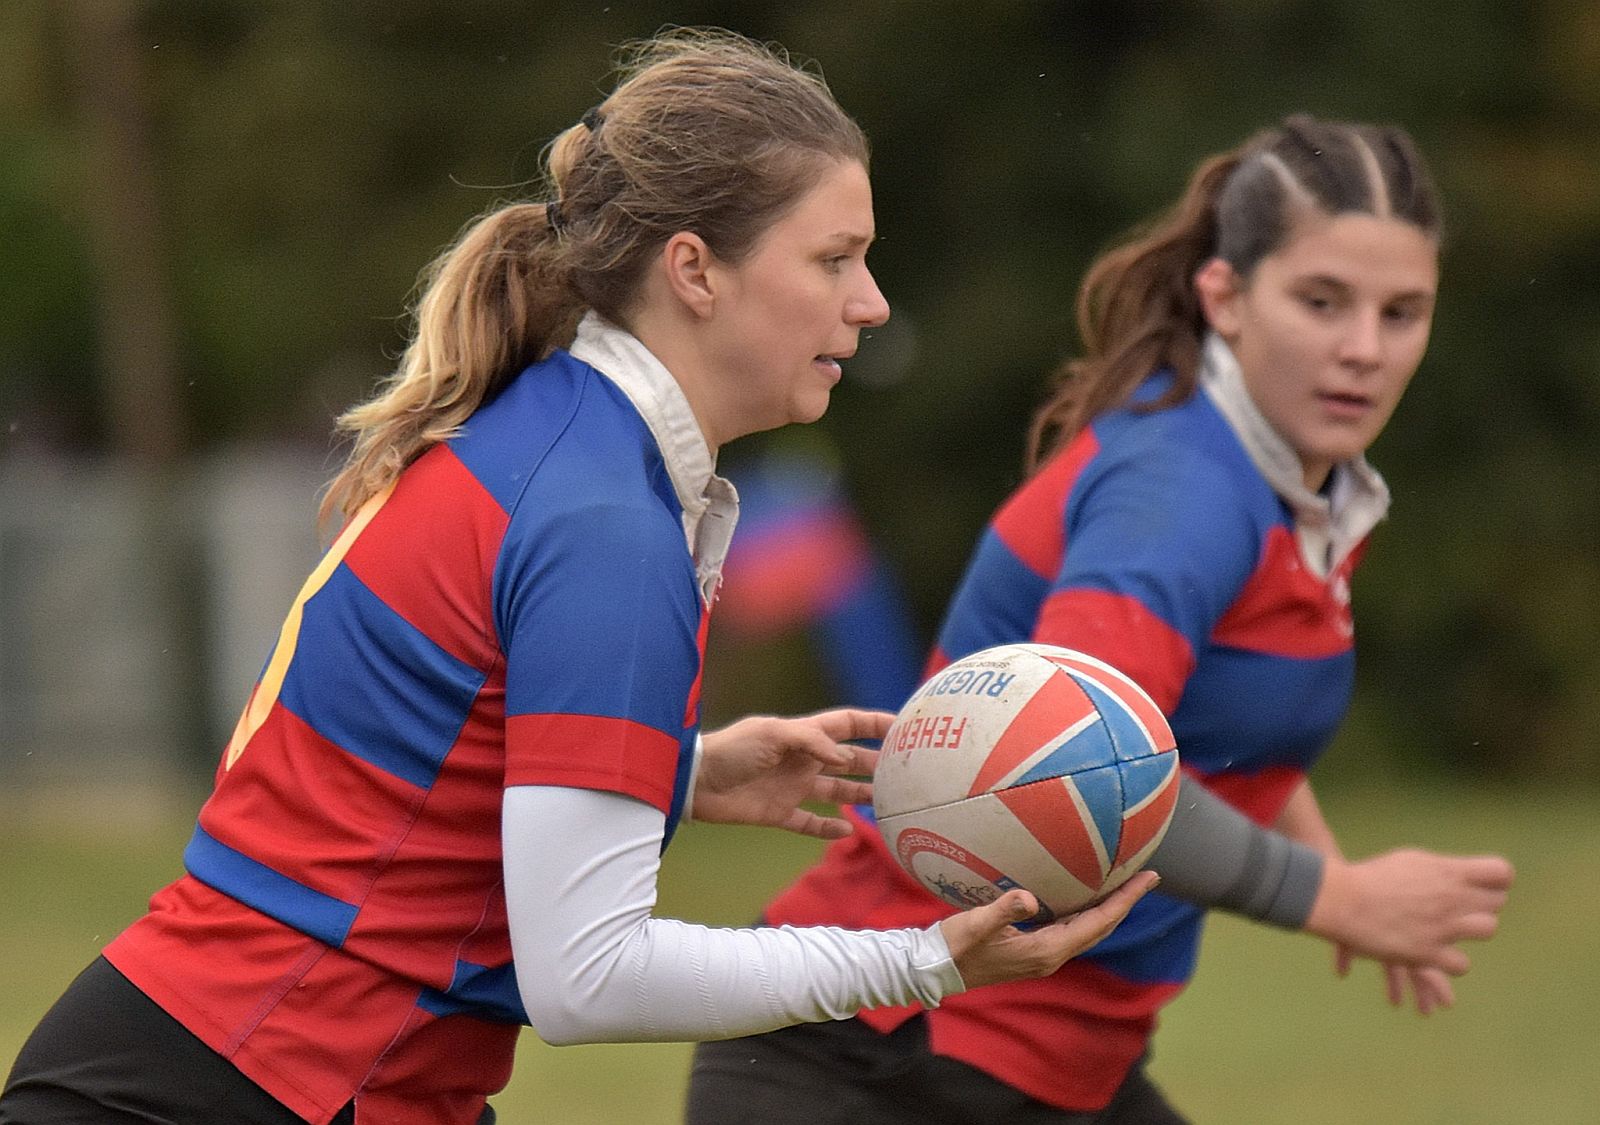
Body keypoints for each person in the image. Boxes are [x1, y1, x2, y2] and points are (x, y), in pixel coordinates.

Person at [0, 30, 1156, 1125]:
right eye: (835, 259)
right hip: (257, 1082)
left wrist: (681, 772)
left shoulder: (558, 441)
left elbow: (416, 760)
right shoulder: (603, 518)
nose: (871, 302)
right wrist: (921, 960)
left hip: (243, 1063)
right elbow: (588, 976)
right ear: (695, 270)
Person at [685, 114, 1516, 1124]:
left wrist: (1330, 868)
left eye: (1402, 311)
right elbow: (1073, 770)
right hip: (886, 1056)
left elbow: (1228, 724)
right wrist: (1338, 901)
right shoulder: (1181, 496)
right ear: (1225, 296)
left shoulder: (1301, 493)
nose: (1362, 349)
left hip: (1037, 1059)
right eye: (1321, 300)